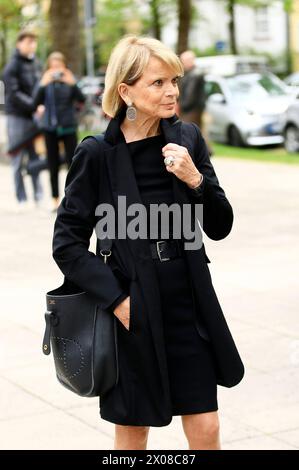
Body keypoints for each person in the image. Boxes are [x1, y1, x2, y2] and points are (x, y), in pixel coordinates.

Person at [52, 35, 244, 450]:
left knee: (206, 425)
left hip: (188, 301)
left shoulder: (188, 139)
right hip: (132, 305)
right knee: (135, 429)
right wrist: (118, 301)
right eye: (158, 83)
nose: (172, 90)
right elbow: (66, 243)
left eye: (174, 80)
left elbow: (221, 225)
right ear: (126, 91)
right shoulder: (98, 154)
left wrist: (195, 179)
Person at [33, 52, 86, 212]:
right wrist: (43, 83)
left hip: (68, 126)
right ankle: (55, 200)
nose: (56, 70)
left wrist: (72, 83)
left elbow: (82, 99)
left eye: (59, 66)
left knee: (73, 163)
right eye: (53, 67)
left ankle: (73, 197)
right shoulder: (45, 84)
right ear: (48, 68)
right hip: (50, 128)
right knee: (52, 164)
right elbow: (35, 102)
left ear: (64, 67)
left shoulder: (69, 81)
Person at [2, 30, 44, 210]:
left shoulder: (36, 63)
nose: (32, 45)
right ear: (19, 43)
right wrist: (35, 105)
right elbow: (14, 93)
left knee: (35, 157)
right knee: (18, 159)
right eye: (28, 42)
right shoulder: (11, 66)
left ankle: (38, 196)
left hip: (34, 117)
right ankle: (21, 199)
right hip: (17, 117)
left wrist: (41, 105)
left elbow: (40, 87)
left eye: (34, 42)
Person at [179, 50, 212, 154]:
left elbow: (190, 95)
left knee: (189, 132)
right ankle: (206, 152)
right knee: (197, 132)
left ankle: (202, 153)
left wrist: (182, 106)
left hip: (191, 110)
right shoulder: (191, 73)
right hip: (194, 109)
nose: (183, 63)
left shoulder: (195, 74)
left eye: (184, 61)